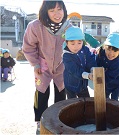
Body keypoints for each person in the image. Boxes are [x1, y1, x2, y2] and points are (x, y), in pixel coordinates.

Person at [22, 0, 71, 132]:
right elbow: (28, 47)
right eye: (52, 10)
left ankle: (58, 119)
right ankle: (40, 120)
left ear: (64, 10)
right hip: (42, 65)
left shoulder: (68, 27)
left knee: (61, 92)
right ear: (45, 11)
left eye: (59, 9)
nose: (57, 14)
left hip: (61, 65)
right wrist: (35, 64)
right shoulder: (35, 26)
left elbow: (75, 46)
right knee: (42, 92)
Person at [63, 26, 97, 99]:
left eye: (79, 42)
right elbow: (74, 70)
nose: (76, 46)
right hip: (70, 85)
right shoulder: (66, 56)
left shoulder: (85, 50)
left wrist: (92, 69)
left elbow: (90, 60)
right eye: (72, 44)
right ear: (66, 42)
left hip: (83, 85)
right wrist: (88, 75)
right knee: (73, 104)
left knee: (86, 102)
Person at [96, 33, 119, 101]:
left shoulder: (117, 63)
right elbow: (95, 64)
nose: (111, 53)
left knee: (114, 100)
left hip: (118, 82)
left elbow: (109, 77)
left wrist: (97, 79)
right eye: (109, 49)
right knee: (104, 98)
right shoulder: (101, 54)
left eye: (115, 51)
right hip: (106, 80)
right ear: (105, 47)